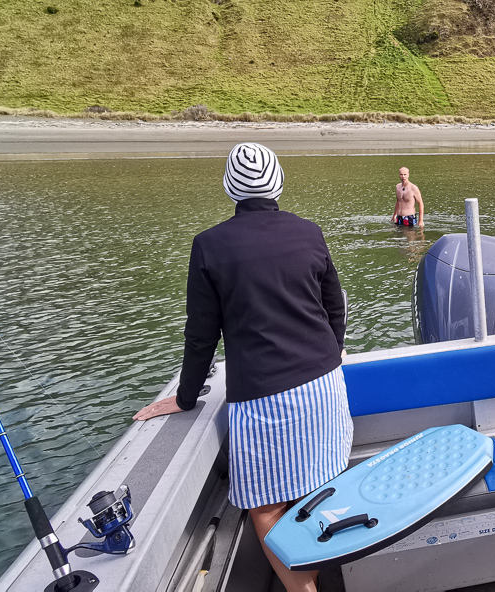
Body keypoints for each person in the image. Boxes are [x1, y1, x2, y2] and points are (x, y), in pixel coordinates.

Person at [133, 142, 350, 592]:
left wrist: (185, 398)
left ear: (231, 188)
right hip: (325, 387)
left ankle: (303, 588)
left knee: (265, 507)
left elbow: (201, 336)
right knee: (317, 489)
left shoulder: (210, 245)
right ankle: (316, 575)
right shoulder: (309, 232)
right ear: (278, 183)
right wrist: (331, 355)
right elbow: (335, 307)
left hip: (263, 398)